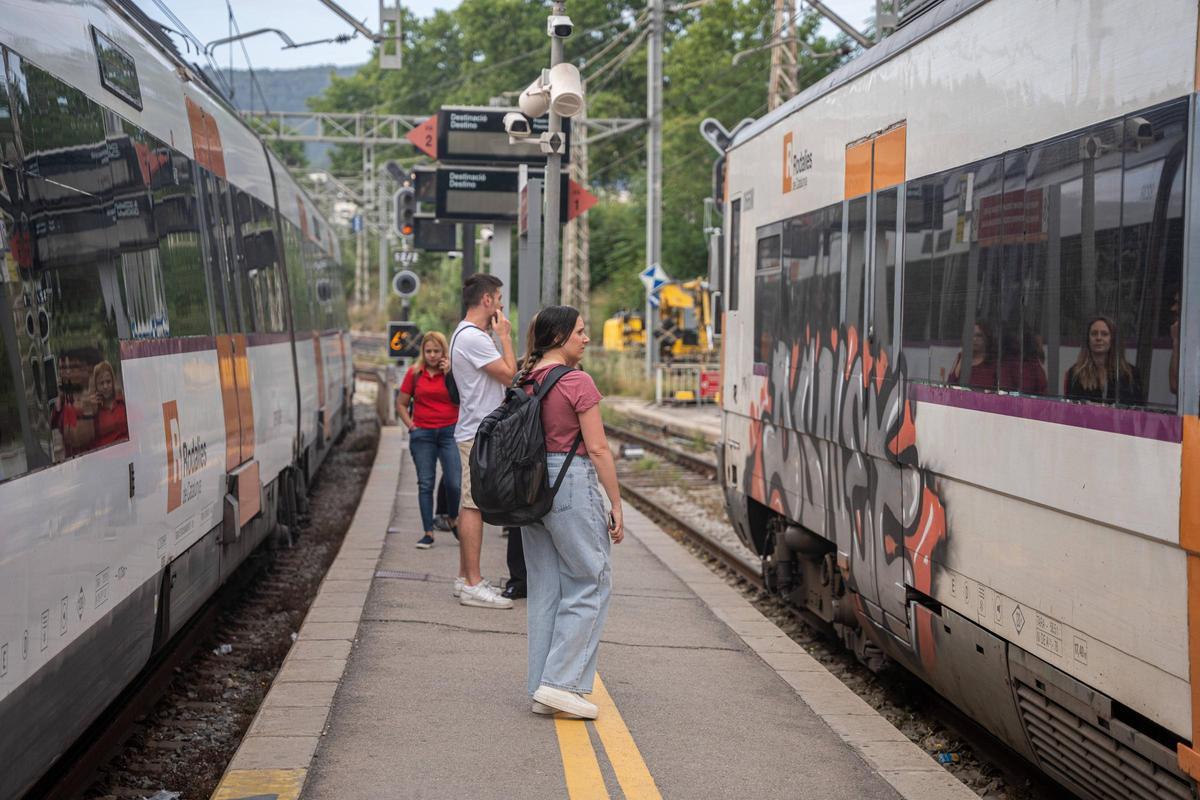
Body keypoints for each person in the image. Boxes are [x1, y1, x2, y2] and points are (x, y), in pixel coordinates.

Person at [519, 306, 624, 721]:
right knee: (591, 579)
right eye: (580, 331)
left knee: (546, 589)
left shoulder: (526, 379)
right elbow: (597, 448)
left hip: (530, 488)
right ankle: (561, 684)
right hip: (569, 481)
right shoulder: (576, 380)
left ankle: (543, 686)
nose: (587, 338)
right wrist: (615, 502)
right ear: (560, 336)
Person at [449, 273, 518, 609]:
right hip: (477, 432)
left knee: (470, 502)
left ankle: (465, 577)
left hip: (475, 429)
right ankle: (473, 584)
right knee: (473, 504)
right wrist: (505, 337)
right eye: (500, 300)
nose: (502, 308)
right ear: (487, 300)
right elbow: (510, 374)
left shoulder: (466, 334)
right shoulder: (474, 338)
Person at [397, 332, 460, 550]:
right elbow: (401, 404)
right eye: (428, 351)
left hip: (449, 432)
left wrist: (450, 373)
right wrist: (411, 426)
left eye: (437, 351)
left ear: (444, 352)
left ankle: (452, 518)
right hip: (422, 434)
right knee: (426, 484)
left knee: (454, 482)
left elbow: (463, 398)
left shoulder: (452, 373)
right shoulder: (414, 373)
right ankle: (428, 532)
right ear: (423, 352)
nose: (432, 355)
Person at [1065, 316, 1143, 404]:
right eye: (1094, 333)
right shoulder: (1075, 373)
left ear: (1112, 340)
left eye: (1104, 334)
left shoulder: (1130, 373)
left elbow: (1138, 410)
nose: (1098, 338)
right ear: (1088, 340)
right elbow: (1070, 409)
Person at [81, 361, 128, 449]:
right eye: (101, 383)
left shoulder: (122, 402)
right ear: (96, 386)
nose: (105, 386)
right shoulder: (92, 409)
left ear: (113, 382)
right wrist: (88, 409)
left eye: (108, 382)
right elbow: (86, 439)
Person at [948, 322, 998, 389]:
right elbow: (950, 384)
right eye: (971, 335)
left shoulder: (994, 362)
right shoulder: (961, 356)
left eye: (979, 335)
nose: (974, 339)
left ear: (986, 338)